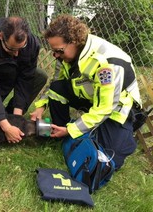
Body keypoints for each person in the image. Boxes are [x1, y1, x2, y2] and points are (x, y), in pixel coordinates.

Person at [31, 14, 142, 169]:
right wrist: (41, 106)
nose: (56, 55)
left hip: (115, 109)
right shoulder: (66, 56)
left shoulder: (108, 64)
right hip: (90, 98)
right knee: (57, 88)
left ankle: (123, 135)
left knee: (110, 158)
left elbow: (105, 108)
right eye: (53, 51)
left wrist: (72, 130)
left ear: (74, 42)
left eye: (59, 51)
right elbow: (56, 83)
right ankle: (58, 131)